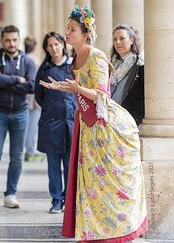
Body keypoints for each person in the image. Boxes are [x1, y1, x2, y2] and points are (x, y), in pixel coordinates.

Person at [39, 6, 148, 241]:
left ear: (85, 33)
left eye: (72, 29)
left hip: (104, 126)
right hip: (87, 125)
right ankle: (93, 229)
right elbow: (81, 90)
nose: (67, 33)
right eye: (68, 28)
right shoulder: (75, 57)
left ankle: (114, 231)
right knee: (92, 182)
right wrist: (66, 87)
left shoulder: (96, 55)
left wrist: (76, 88)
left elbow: (101, 95)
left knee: (106, 181)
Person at [0, 25, 36, 210]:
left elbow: (31, 86)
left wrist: (4, 79)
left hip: (21, 112)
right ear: (1, 41)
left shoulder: (28, 62)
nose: (11, 43)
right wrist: (16, 79)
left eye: (14, 40)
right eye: (7, 40)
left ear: (19, 40)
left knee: (17, 157)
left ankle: (10, 194)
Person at [34, 32, 76, 214]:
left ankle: (69, 198)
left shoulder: (73, 66)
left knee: (69, 164)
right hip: (51, 123)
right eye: (50, 46)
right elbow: (39, 96)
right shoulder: (44, 69)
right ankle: (56, 199)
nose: (54, 48)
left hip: (71, 121)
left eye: (57, 44)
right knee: (53, 165)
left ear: (62, 44)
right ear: (46, 49)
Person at [110, 24, 145, 125]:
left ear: (131, 40)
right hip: (113, 119)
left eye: (122, 38)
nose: (118, 42)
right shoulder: (113, 64)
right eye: (115, 39)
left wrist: (133, 119)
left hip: (130, 121)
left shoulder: (140, 63)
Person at [23, 36, 43, 162]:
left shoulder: (22, 59)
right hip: (33, 98)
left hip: (24, 96)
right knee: (32, 126)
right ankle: (30, 151)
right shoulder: (34, 61)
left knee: (26, 125)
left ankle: (27, 150)